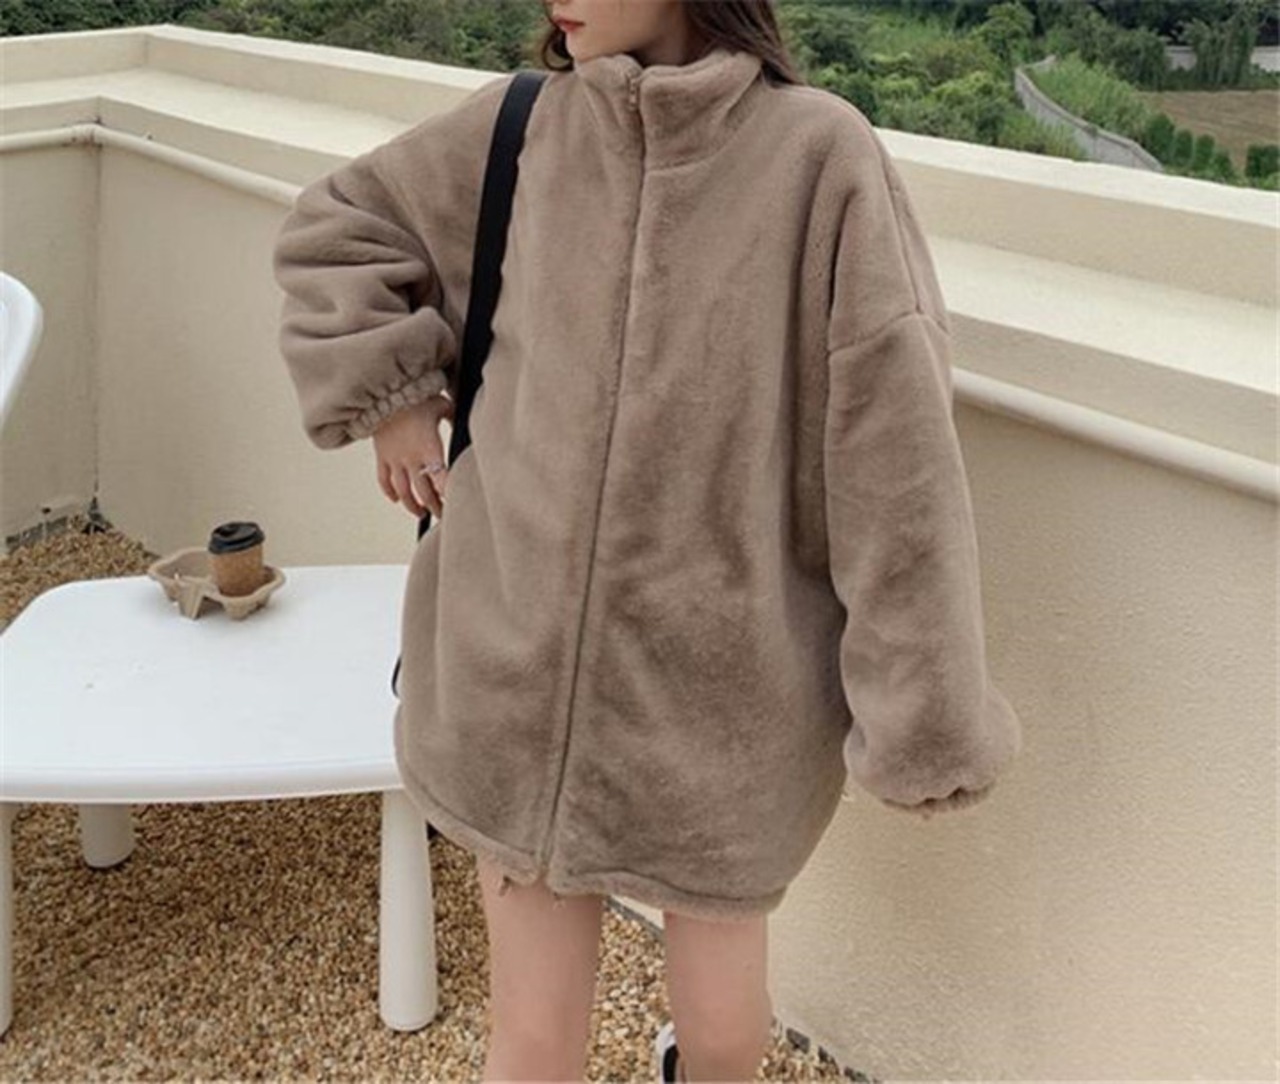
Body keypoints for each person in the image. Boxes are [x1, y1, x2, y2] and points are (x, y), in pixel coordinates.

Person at [271, 1, 1024, 1080]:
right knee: (533, 1040)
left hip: (721, 717)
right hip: (510, 680)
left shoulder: (817, 158)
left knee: (723, 1036)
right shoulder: (521, 125)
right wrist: (392, 397)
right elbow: (339, 226)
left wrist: (921, 709)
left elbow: (892, 454)